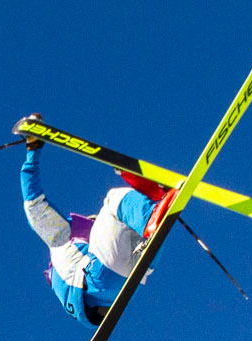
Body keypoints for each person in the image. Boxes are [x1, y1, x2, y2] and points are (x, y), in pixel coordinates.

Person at [19, 123, 166, 330]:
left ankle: (156, 202)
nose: (94, 221)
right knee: (113, 199)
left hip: (127, 279)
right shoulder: (61, 238)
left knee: (142, 224)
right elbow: (34, 206)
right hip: (101, 278)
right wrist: (32, 152)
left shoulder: (68, 272)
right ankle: (153, 208)